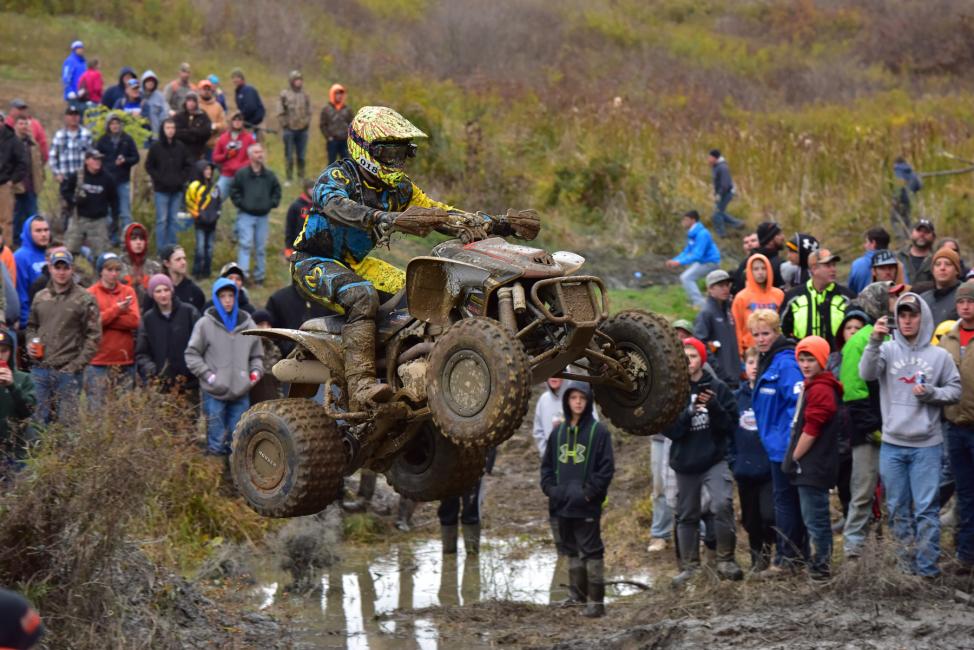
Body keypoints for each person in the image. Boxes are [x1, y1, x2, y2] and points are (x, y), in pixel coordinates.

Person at [292, 106, 496, 411]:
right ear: (365, 149)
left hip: (357, 263)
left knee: (416, 292)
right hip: (313, 261)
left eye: (402, 153)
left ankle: (409, 366)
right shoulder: (337, 176)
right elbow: (335, 205)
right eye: (389, 153)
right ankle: (361, 385)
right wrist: (383, 218)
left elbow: (436, 211)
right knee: (362, 296)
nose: (396, 161)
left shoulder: (399, 188)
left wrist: (489, 221)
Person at [860, 293, 960, 577]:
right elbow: (866, 374)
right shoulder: (887, 349)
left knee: (926, 509)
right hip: (893, 443)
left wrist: (931, 393)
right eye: (902, 315)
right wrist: (874, 341)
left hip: (927, 445)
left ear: (922, 317)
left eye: (912, 315)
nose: (907, 321)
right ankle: (906, 568)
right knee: (897, 507)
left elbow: (954, 391)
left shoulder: (939, 356)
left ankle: (927, 569)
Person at [664, 338, 742, 585]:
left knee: (722, 504)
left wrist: (714, 406)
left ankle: (726, 560)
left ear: (702, 359)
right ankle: (690, 568)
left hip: (714, 459)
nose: (689, 361)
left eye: (693, 356)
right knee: (686, 514)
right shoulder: (674, 390)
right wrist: (689, 412)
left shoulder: (717, 387)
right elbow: (671, 430)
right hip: (685, 462)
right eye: (684, 356)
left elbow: (731, 425)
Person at [540, 382, 614, 617]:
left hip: (587, 505)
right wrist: (552, 491)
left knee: (591, 551)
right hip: (562, 505)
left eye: (582, 398)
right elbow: (546, 468)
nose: (578, 402)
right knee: (570, 550)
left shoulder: (599, 432)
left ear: (588, 401)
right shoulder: (557, 433)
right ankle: (577, 597)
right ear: (567, 401)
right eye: (573, 398)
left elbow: (606, 469)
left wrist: (589, 493)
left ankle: (597, 603)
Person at [840, 282, 898, 558]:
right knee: (863, 490)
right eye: (892, 297)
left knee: (895, 493)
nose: (896, 301)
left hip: (897, 429)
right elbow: (853, 392)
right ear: (878, 302)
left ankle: (892, 548)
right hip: (868, 432)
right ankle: (853, 550)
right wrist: (872, 428)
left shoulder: (898, 336)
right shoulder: (859, 341)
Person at [748, 308, 806, 570]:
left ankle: (787, 558)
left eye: (766, 333)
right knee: (785, 501)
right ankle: (793, 556)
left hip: (786, 446)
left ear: (776, 332)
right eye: (756, 334)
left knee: (786, 503)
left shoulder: (785, 362)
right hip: (774, 445)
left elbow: (797, 404)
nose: (761, 339)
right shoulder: (767, 360)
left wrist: (792, 444)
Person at [782, 336, 842, 580]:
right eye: (802, 359)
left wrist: (793, 457)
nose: (805, 365)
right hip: (811, 463)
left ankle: (821, 567)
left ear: (822, 360)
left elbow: (811, 430)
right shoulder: (813, 385)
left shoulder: (821, 389)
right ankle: (818, 564)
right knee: (813, 518)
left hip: (814, 465)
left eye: (811, 360)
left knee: (816, 519)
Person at [184, 277, 262, 456]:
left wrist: (254, 374)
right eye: (222, 296)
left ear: (236, 297)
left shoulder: (248, 323)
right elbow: (191, 354)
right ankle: (215, 470)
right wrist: (210, 376)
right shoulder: (205, 324)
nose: (227, 300)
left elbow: (257, 355)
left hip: (241, 391)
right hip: (214, 392)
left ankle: (234, 471)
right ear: (216, 298)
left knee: (238, 441)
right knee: (216, 441)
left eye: (231, 295)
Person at [25, 249, 101, 425]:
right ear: (50, 268)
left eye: (65, 268)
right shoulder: (40, 296)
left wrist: (75, 366)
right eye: (57, 267)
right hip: (40, 369)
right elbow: (31, 326)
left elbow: (94, 336)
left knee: (67, 426)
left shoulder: (85, 298)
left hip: (68, 371)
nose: (61, 272)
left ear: (71, 269)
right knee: (37, 422)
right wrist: (30, 343)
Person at [939, 281, 974, 572]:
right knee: (964, 492)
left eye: (970, 301)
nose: (965, 306)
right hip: (954, 427)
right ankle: (965, 553)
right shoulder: (948, 338)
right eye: (961, 302)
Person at [731, 346, 775, 572]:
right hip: (744, 469)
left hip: (768, 468)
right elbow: (728, 432)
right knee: (751, 519)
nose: (755, 368)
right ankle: (757, 560)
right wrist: (733, 460)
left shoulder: (771, 395)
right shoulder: (736, 399)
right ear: (744, 366)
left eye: (759, 363)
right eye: (750, 363)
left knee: (769, 515)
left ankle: (773, 551)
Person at [85, 252, 139, 407]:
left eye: (117, 269)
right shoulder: (90, 293)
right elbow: (91, 323)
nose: (114, 274)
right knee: (97, 412)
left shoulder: (128, 291)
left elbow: (134, 321)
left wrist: (105, 319)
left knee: (124, 412)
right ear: (101, 271)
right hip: (98, 362)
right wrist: (118, 310)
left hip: (125, 361)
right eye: (109, 270)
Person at [135, 273, 200, 396]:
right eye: (158, 291)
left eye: (166, 290)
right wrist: (154, 371)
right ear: (152, 294)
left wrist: (193, 368)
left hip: (190, 384)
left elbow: (202, 344)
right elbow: (142, 353)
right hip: (162, 387)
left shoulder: (189, 312)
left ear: (171, 291)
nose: (163, 294)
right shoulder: (148, 319)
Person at [780, 248, 855, 350]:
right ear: (814, 269)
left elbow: (856, 330)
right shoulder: (793, 296)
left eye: (834, 265)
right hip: (803, 357)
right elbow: (781, 329)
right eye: (828, 265)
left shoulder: (846, 297)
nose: (833, 269)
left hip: (838, 357)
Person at [230, 143, 280, 286]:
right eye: (257, 152)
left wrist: (271, 203)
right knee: (245, 245)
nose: (260, 155)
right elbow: (234, 191)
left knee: (260, 248)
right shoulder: (242, 174)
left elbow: (277, 191)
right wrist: (242, 204)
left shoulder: (269, 175)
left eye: (261, 152)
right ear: (250, 155)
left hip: (263, 216)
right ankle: (243, 277)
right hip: (246, 215)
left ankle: (259, 277)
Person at [145, 118, 192, 252]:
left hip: (177, 189)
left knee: (174, 220)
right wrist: (159, 178)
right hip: (161, 190)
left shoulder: (181, 147)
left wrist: (181, 179)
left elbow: (188, 164)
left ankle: (172, 251)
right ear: (163, 129)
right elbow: (149, 166)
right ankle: (161, 251)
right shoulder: (156, 147)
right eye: (168, 128)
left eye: (172, 128)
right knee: (162, 220)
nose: (170, 131)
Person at [61, 149, 117, 259]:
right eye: (94, 159)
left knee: (101, 255)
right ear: (87, 161)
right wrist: (73, 200)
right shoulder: (77, 175)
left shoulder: (107, 178)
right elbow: (65, 191)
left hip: (99, 221)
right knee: (69, 252)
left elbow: (114, 199)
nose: (98, 162)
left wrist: (115, 218)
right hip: (79, 219)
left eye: (99, 159)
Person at [95, 113, 139, 244]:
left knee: (125, 212)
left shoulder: (127, 139)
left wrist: (125, 160)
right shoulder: (102, 140)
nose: (115, 126)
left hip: (123, 180)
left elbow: (136, 157)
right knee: (109, 212)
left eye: (117, 123)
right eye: (112, 124)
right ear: (108, 125)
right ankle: (111, 238)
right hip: (107, 181)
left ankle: (128, 239)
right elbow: (96, 158)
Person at [48, 106, 92, 234]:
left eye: (76, 115)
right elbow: (52, 156)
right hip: (66, 178)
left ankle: (84, 235)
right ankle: (66, 235)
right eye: (71, 115)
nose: (73, 118)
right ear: (66, 117)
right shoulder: (59, 135)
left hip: (82, 178)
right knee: (66, 208)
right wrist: (57, 173)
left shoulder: (86, 134)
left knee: (85, 207)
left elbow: (91, 155)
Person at [665, 209, 720, 310]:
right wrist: (675, 260)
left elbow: (697, 255)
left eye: (685, 219)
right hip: (703, 261)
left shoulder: (702, 234)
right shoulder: (693, 233)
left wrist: (679, 262)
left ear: (693, 220)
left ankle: (699, 305)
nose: (683, 222)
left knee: (686, 277)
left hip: (710, 262)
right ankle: (698, 302)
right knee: (686, 277)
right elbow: (687, 251)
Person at [693, 269, 739, 388]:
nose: (725, 289)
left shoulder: (729, 310)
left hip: (734, 375)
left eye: (727, 285)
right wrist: (718, 371)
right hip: (720, 379)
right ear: (710, 289)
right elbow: (700, 345)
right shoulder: (706, 313)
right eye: (721, 285)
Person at [732, 254, 783, 357]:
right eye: (756, 269)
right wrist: (740, 352)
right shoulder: (741, 297)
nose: (760, 272)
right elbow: (737, 327)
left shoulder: (779, 295)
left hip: (775, 348)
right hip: (751, 350)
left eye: (764, 268)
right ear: (750, 271)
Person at [263, 283, 335, 356]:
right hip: (289, 358)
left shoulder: (332, 299)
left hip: (328, 357)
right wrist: (289, 348)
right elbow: (270, 334)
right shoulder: (278, 299)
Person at [0, 328, 36, 470]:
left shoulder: (23, 378)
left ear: (11, 352)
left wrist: (12, 386)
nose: (0, 355)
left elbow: (28, 411)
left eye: (4, 351)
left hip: (15, 448)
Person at [185, 160, 221, 279]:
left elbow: (218, 202)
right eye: (206, 169)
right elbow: (189, 202)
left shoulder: (215, 187)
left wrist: (217, 214)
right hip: (200, 223)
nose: (209, 171)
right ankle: (196, 271)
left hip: (212, 223)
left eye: (210, 169)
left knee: (209, 248)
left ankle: (207, 271)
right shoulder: (194, 186)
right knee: (200, 248)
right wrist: (197, 215)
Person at [11, 116, 43, 247]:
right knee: (17, 216)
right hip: (16, 185)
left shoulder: (32, 143)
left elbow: (39, 162)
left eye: (26, 124)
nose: (24, 126)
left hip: (31, 185)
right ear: (15, 126)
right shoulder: (11, 142)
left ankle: (33, 240)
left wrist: (41, 178)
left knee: (32, 215)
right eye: (21, 123)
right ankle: (15, 241)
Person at [14, 217, 49, 329]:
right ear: (28, 233)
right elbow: (20, 292)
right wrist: (26, 322)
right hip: (31, 321)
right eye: (38, 231)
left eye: (46, 230)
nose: (44, 234)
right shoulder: (20, 257)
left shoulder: (51, 253)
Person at [212, 112, 256, 200]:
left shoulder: (249, 138)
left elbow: (254, 157)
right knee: (214, 199)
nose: (237, 122)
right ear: (231, 122)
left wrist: (242, 166)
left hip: (244, 176)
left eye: (239, 120)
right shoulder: (223, 138)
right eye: (234, 120)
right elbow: (215, 157)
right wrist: (226, 156)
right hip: (227, 175)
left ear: (243, 122)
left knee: (248, 201)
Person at [733, 221, 785, 293]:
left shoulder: (747, 261)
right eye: (779, 234)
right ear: (769, 240)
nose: (783, 237)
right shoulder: (776, 263)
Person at [278, 70, 311, 184]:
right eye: (296, 80)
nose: (299, 82)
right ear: (292, 81)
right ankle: (289, 178)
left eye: (300, 80)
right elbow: (280, 111)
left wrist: (306, 123)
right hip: (289, 130)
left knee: (301, 156)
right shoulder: (284, 94)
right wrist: (285, 124)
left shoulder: (305, 95)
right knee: (289, 155)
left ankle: (301, 177)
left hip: (302, 131)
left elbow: (309, 111)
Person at [0, 117, 26, 249]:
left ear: (2, 122)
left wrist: (12, 180)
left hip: (4, 184)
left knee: (5, 220)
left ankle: (5, 250)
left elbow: (22, 163)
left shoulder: (13, 140)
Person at [921, 246, 962, 325]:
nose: (942, 268)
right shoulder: (923, 299)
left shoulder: (966, 296)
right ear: (933, 270)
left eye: (948, 264)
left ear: (957, 270)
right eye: (938, 264)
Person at [708, 149, 744, 236]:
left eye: (709, 157)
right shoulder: (716, 166)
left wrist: (719, 194)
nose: (708, 159)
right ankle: (738, 223)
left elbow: (725, 184)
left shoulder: (722, 167)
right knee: (719, 212)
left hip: (726, 193)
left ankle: (721, 234)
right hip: (722, 193)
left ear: (715, 158)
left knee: (717, 213)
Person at [248, 309, 281, 404]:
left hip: (271, 403)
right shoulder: (246, 349)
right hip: (250, 404)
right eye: (261, 324)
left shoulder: (275, 350)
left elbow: (277, 382)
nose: (266, 328)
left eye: (268, 325)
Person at [159, 245, 205, 312]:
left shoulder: (195, 292)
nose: (183, 262)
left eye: (184, 258)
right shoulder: (158, 290)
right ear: (167, 263)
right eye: (178, 259)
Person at [896, 218, 936, 292]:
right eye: (918, 231)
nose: (922, 234)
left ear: (933, 237)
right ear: (912, 233)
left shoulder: (937, 260)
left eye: (926, 232)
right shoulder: (898, 257)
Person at [848, 227, 891, 294]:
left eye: (866, 242)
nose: (864, 245)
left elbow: (851, 292)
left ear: (873, 243)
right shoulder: (898, 265)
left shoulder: (857, 265)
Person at [4, 99, 48, 164]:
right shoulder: (5, 124)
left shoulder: (35, 124)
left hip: (30, 162)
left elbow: (43, 143)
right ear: (12, 110)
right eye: (19, 109)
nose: (22, 111)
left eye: (24, 108)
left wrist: (43, 160)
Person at [172, 92, 212, 161]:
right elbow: (175, 132)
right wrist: (191, 134)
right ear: (185, 102)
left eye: (193, 101)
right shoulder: (179, 116)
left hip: (197, 151)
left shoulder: (202, 115)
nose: (191, 103)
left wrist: (192, 132)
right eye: (189, 100)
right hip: (180, 151)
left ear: (197, 103)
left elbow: (207, 132)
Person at [120, 222, 153, 304]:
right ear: (126, 241)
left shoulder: (154, 267)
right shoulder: (117, 267)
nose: (139, 242)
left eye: (141, 239)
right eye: (134, 239)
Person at [319, 83, 353, 163]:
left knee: (346, 163)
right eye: (337, 93)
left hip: (345, 141)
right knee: (331, 163)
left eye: (341, 94)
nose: (339, 96)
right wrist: (328, 137)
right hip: (332, 141)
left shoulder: (348, 109)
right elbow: (323, 125)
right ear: (332, 94)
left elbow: (352, 124)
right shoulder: (326, 109)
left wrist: (350, 137)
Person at [284, 178, 313, 257]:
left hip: (315, 246)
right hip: (299, 245)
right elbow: (290, 227)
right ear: (306, 190)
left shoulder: (319, 205)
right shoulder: (296, 206)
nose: (313, 191)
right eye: (311, 189)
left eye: (315, 188)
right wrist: (288, 246)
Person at [231, 69, 265, 136]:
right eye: (233, 78)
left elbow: (250, 107)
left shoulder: (247, 89)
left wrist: (239, 116)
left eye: (238, 77)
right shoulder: (238, 92)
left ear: (242, 79)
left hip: (254, 124)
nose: (235, 80)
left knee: (253, 142)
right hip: (247, 124)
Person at [196, 79, 226, 154]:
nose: (206, 91)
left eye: (208, 89)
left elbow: (224, 125)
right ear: (199, 91)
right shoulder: (195, 105)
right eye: (204, 89)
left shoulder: (218, 106)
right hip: (196, 145)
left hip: (212, 146)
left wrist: (214, 126)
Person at [139, 71, 167, 140]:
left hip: (155, 133)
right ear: (143, 82)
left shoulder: (160, 96)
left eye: (152, 81)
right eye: (148, 81)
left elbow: (164, 115)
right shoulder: (137, 94)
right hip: (140, 134)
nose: (150, 83)